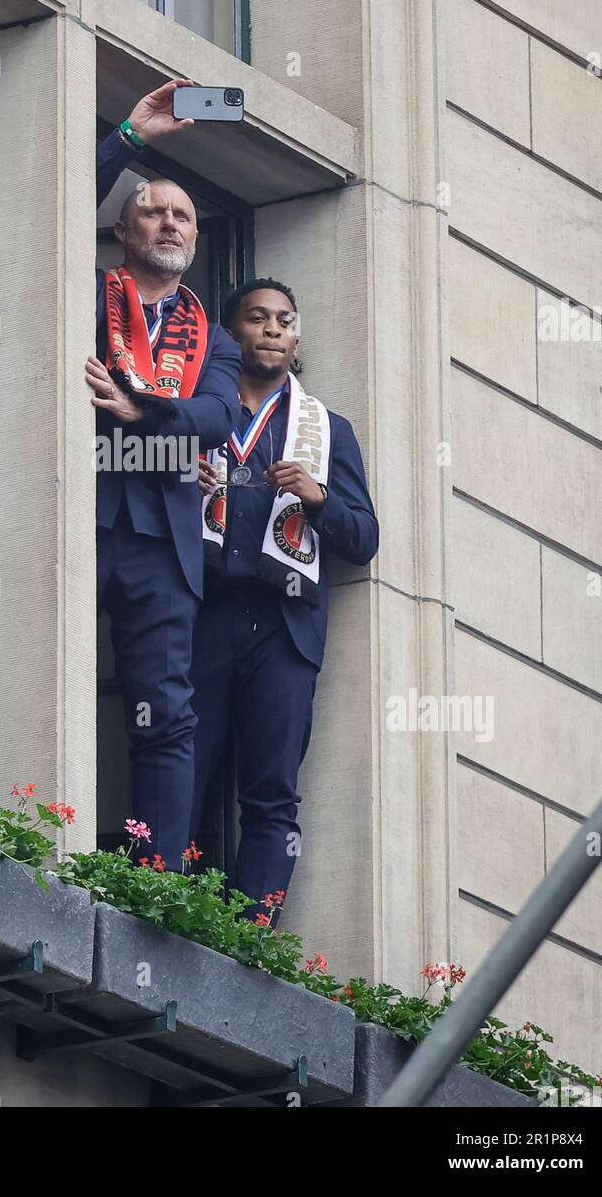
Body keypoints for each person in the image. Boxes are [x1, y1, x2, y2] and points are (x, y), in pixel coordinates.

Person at [190, 278, 378, 920]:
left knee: (272, 793)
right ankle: (162, 910)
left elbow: (365, 538)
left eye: (284, 320)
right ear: (231, 333)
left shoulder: (327, 430)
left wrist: (320, 499)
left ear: (296, 342)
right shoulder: (199, 410)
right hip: (202, 615)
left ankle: (252, 934)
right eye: (256, 317)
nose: (271, 328)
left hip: (284, 628)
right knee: (182, 767)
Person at [93, 83, 242, 867]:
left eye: (182, 216)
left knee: (164, 716)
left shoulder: (211, 337)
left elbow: (217, 418)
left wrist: (140, 410)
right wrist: (128, 136)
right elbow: (39, 208)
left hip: (164, 542)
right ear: (122, 230)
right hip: (79, 511)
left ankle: (156, 880)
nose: (169, 223)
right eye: (153, 211)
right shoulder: (87, 294)